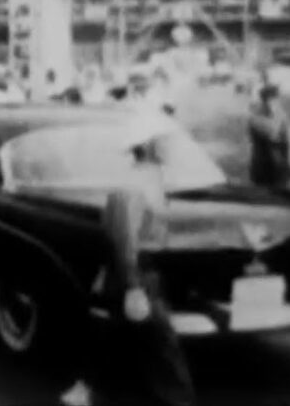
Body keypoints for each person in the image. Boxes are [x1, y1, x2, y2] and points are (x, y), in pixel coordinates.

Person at [61, 140, 195, 406]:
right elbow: (125, 239)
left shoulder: (143, 181)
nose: (169, 152)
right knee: (161, 340)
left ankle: (86, 387)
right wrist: (134, 285)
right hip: (136, 273)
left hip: (133, 271)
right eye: (162, 146)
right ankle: (178, 400)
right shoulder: (134, 187)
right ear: (147, 151)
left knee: (115, 331)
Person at [249, 84, 290, 189]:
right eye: (271, 99)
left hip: (278, 169)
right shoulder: (256, 118)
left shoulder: (281, 115)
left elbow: (285, 137)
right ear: (264, 100)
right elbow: (272, 134)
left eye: (276, 99)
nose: (274, 103)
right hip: (262, 168)